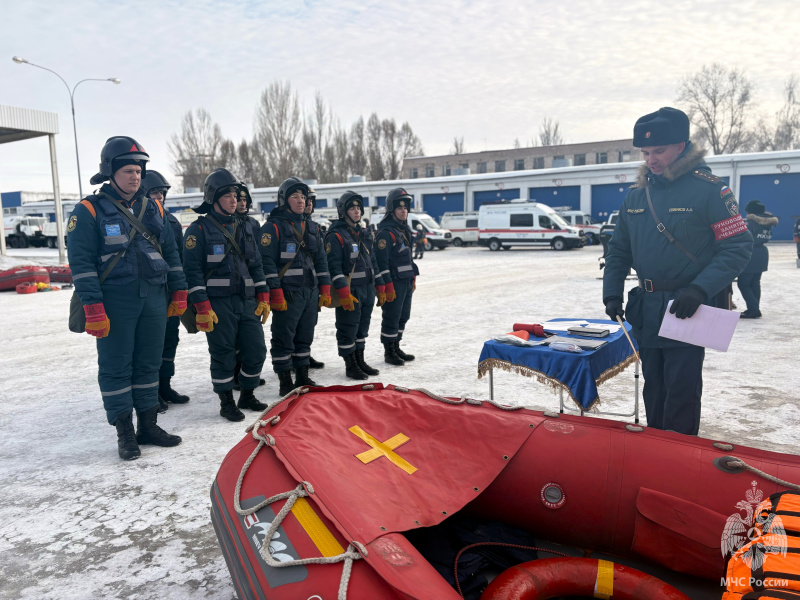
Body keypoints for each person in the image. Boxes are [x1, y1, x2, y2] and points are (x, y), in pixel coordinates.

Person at [602, 107, 752, 436]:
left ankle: (679, 459)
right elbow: (618, 249)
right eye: (645, 152)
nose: (650, 159)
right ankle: (656, 452)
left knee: (682, 390)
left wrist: (699, 289)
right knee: (653, 387)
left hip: (689, 306)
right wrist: (611, 292)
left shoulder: (710, 190)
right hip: (649, 306)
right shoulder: (636, 195)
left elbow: (738, 246)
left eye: (659, 151)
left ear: (681, 147)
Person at [68, 137, 187, 460]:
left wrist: (179, 290)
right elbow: (81, 264)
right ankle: (124, 433)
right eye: (128, 171)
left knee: (148, 363)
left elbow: (172, 252)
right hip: (114, 300)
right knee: (116, 365)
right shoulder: (89, 210)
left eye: (138, 171)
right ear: (111, 172)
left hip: (153, 297)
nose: (135, 177)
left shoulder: (155, 207)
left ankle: (148, 425)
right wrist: (93, 308)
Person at [183, 169, 269, 422]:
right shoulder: (197, 231)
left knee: (256, 350)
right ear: (213, 197)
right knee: (223, 353)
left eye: (236, 194)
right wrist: (202, 307)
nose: (234, 199)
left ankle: (247, 393)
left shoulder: (244, 227)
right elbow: (192, 272)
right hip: (217, 304)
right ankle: (226, 401)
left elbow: (256, 265)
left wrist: (263, 296)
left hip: (246, 300)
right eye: (228, 195)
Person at [260, 177, 332, 396]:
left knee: (305, 334)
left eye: (303, 196)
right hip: (288, 292)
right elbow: (266, 262)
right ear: (284, 200)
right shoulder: (272, 228)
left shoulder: (312, 227)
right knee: (284, 335)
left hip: (310, 291)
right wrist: (275, 291)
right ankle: (285, 381)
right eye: (295, 196)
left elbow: (321, 260)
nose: (301, 201)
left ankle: (302, 376)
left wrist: (325, 288)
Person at [141, 170, 190, 413]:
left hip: (169, 292)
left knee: (170, 340)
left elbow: (178, 257)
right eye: (154, 192)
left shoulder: (171, 221)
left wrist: (181, 288)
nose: (159, 196)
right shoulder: (135, 220)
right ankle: (149, 394)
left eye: (162, 192)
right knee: (150, 346)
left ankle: (165, 386)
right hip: (148, 294)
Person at [325, 191, 384, 379]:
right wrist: (343, 292)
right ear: (343, 211)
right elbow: (333, 267)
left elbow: (373, 261)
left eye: (359, 207)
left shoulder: (363, 233)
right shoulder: (336, 235)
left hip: (367, 288)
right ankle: (350, 365)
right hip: (350, 291)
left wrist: (379, 285)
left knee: (361, 328)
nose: (357, 211)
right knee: (348, 327)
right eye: (352, 208)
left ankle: (360, 360)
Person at [375, 188, 419, 366]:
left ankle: (396, 345)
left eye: (406, 208)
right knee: (392, 316)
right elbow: (381, 262)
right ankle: (389, 351)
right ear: (391, 210)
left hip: (406, 281)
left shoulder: (404, 231)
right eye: (400, 208)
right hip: (393, 282)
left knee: (403, 316)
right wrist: (387, 285)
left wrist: (413, 277)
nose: (404, 211)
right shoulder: (385, 233)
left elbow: (408, 258)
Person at [232, 187, 267, 389]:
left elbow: (258, 256)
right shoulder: (224, 223)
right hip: (232, 286)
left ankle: (248, 373)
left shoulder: (253, 224)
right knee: (235, 338)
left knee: (251, 336)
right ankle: (236, 374)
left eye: (246, 200)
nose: (242, 203)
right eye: (239, 199)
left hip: (251, 285)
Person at [737, 200, 779, 319]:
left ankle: (753, 309)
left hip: (751, 253)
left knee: (743, 283)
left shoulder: (751, 223)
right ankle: (754, 308)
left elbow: (744, 239)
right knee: (755, 283)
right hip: (762, 253)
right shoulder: (768, 222)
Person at [302, 186, 326, 371]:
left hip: (312, 285)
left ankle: (304, 354)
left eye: (311, 201)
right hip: (293, 288)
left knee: (309, 325)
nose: (309, 203)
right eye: (306, 199)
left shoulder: (314, 227)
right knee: (291, 328)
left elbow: (320, 259)